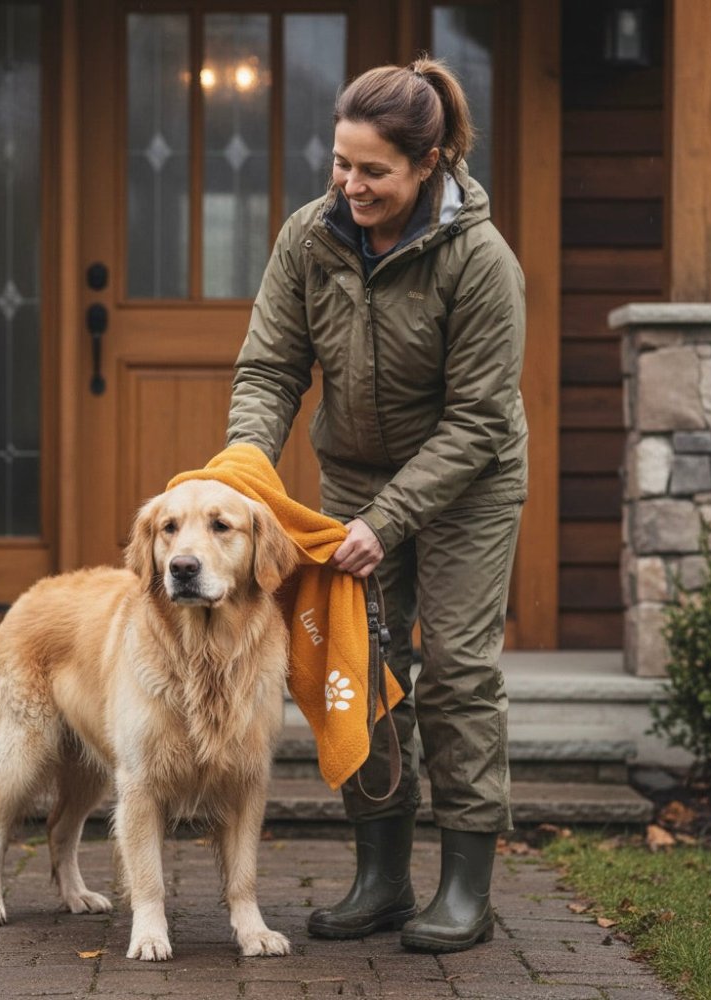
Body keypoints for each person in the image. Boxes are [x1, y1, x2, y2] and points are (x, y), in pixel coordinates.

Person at [225, 57, 527, 953]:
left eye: (374, 171)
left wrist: (385, 523)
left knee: (461, 673)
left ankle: (466, 886)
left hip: (467, 485)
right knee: (361, 666)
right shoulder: (309, 238)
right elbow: (272, 367)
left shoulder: (480, 260)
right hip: (354, 476)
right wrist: (246, 460)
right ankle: (383, 878)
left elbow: (478, 419)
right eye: (340, 164)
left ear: (429, 161)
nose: (350, 185)